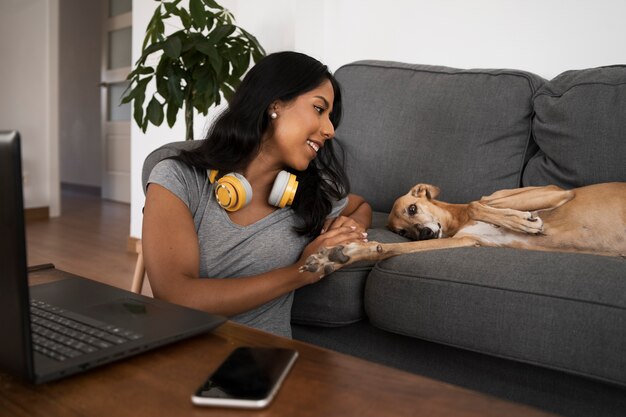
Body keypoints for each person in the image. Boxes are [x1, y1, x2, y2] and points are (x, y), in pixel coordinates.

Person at [142, 51, 372, 338]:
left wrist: (350, 226)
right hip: (183, 361)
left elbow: (361, 204)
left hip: (265, 366)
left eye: (330, 117)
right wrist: (302, 271)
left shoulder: (311, 195)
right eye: (318, 109)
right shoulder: (178, 179)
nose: (329, 130)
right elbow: (176, 296)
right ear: (274, 104)